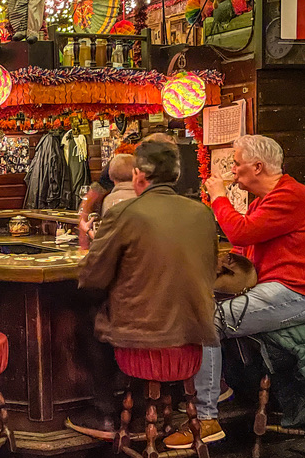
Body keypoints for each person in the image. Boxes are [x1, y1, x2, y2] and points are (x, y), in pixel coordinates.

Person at [164, 134, 305, 449]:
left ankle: (206, 418)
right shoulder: (267, 200)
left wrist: (218, 196)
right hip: (282, 290)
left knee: (206, 321)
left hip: (302, 295)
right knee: (206, 307)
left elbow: (241, 230)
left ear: (257, 167)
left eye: (238, 163)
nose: (233, 169)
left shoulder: (290, 196)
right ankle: (220, 386)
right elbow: (244, 247)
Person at [69, 139, 218, 438]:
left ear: (139, 175)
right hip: (192, 335)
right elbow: (211, 268)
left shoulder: (124, 214)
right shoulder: (203, 213)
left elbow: (93, 277)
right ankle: (156, 405)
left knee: (87, 321)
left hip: (143, 339)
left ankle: (107, 415)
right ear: (175, 176)